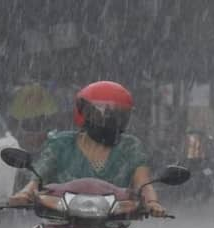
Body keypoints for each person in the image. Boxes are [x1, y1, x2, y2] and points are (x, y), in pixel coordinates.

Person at [9, 81, 167, 217]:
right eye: (102, 114)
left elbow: (143, 183)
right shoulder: (61, 144)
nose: (110, 121)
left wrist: (152, 203)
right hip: (60, 222)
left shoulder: (130, 146)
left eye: (118, 116)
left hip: (114, 226)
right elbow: (37, 179)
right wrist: (25, 193)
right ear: (84, 113)